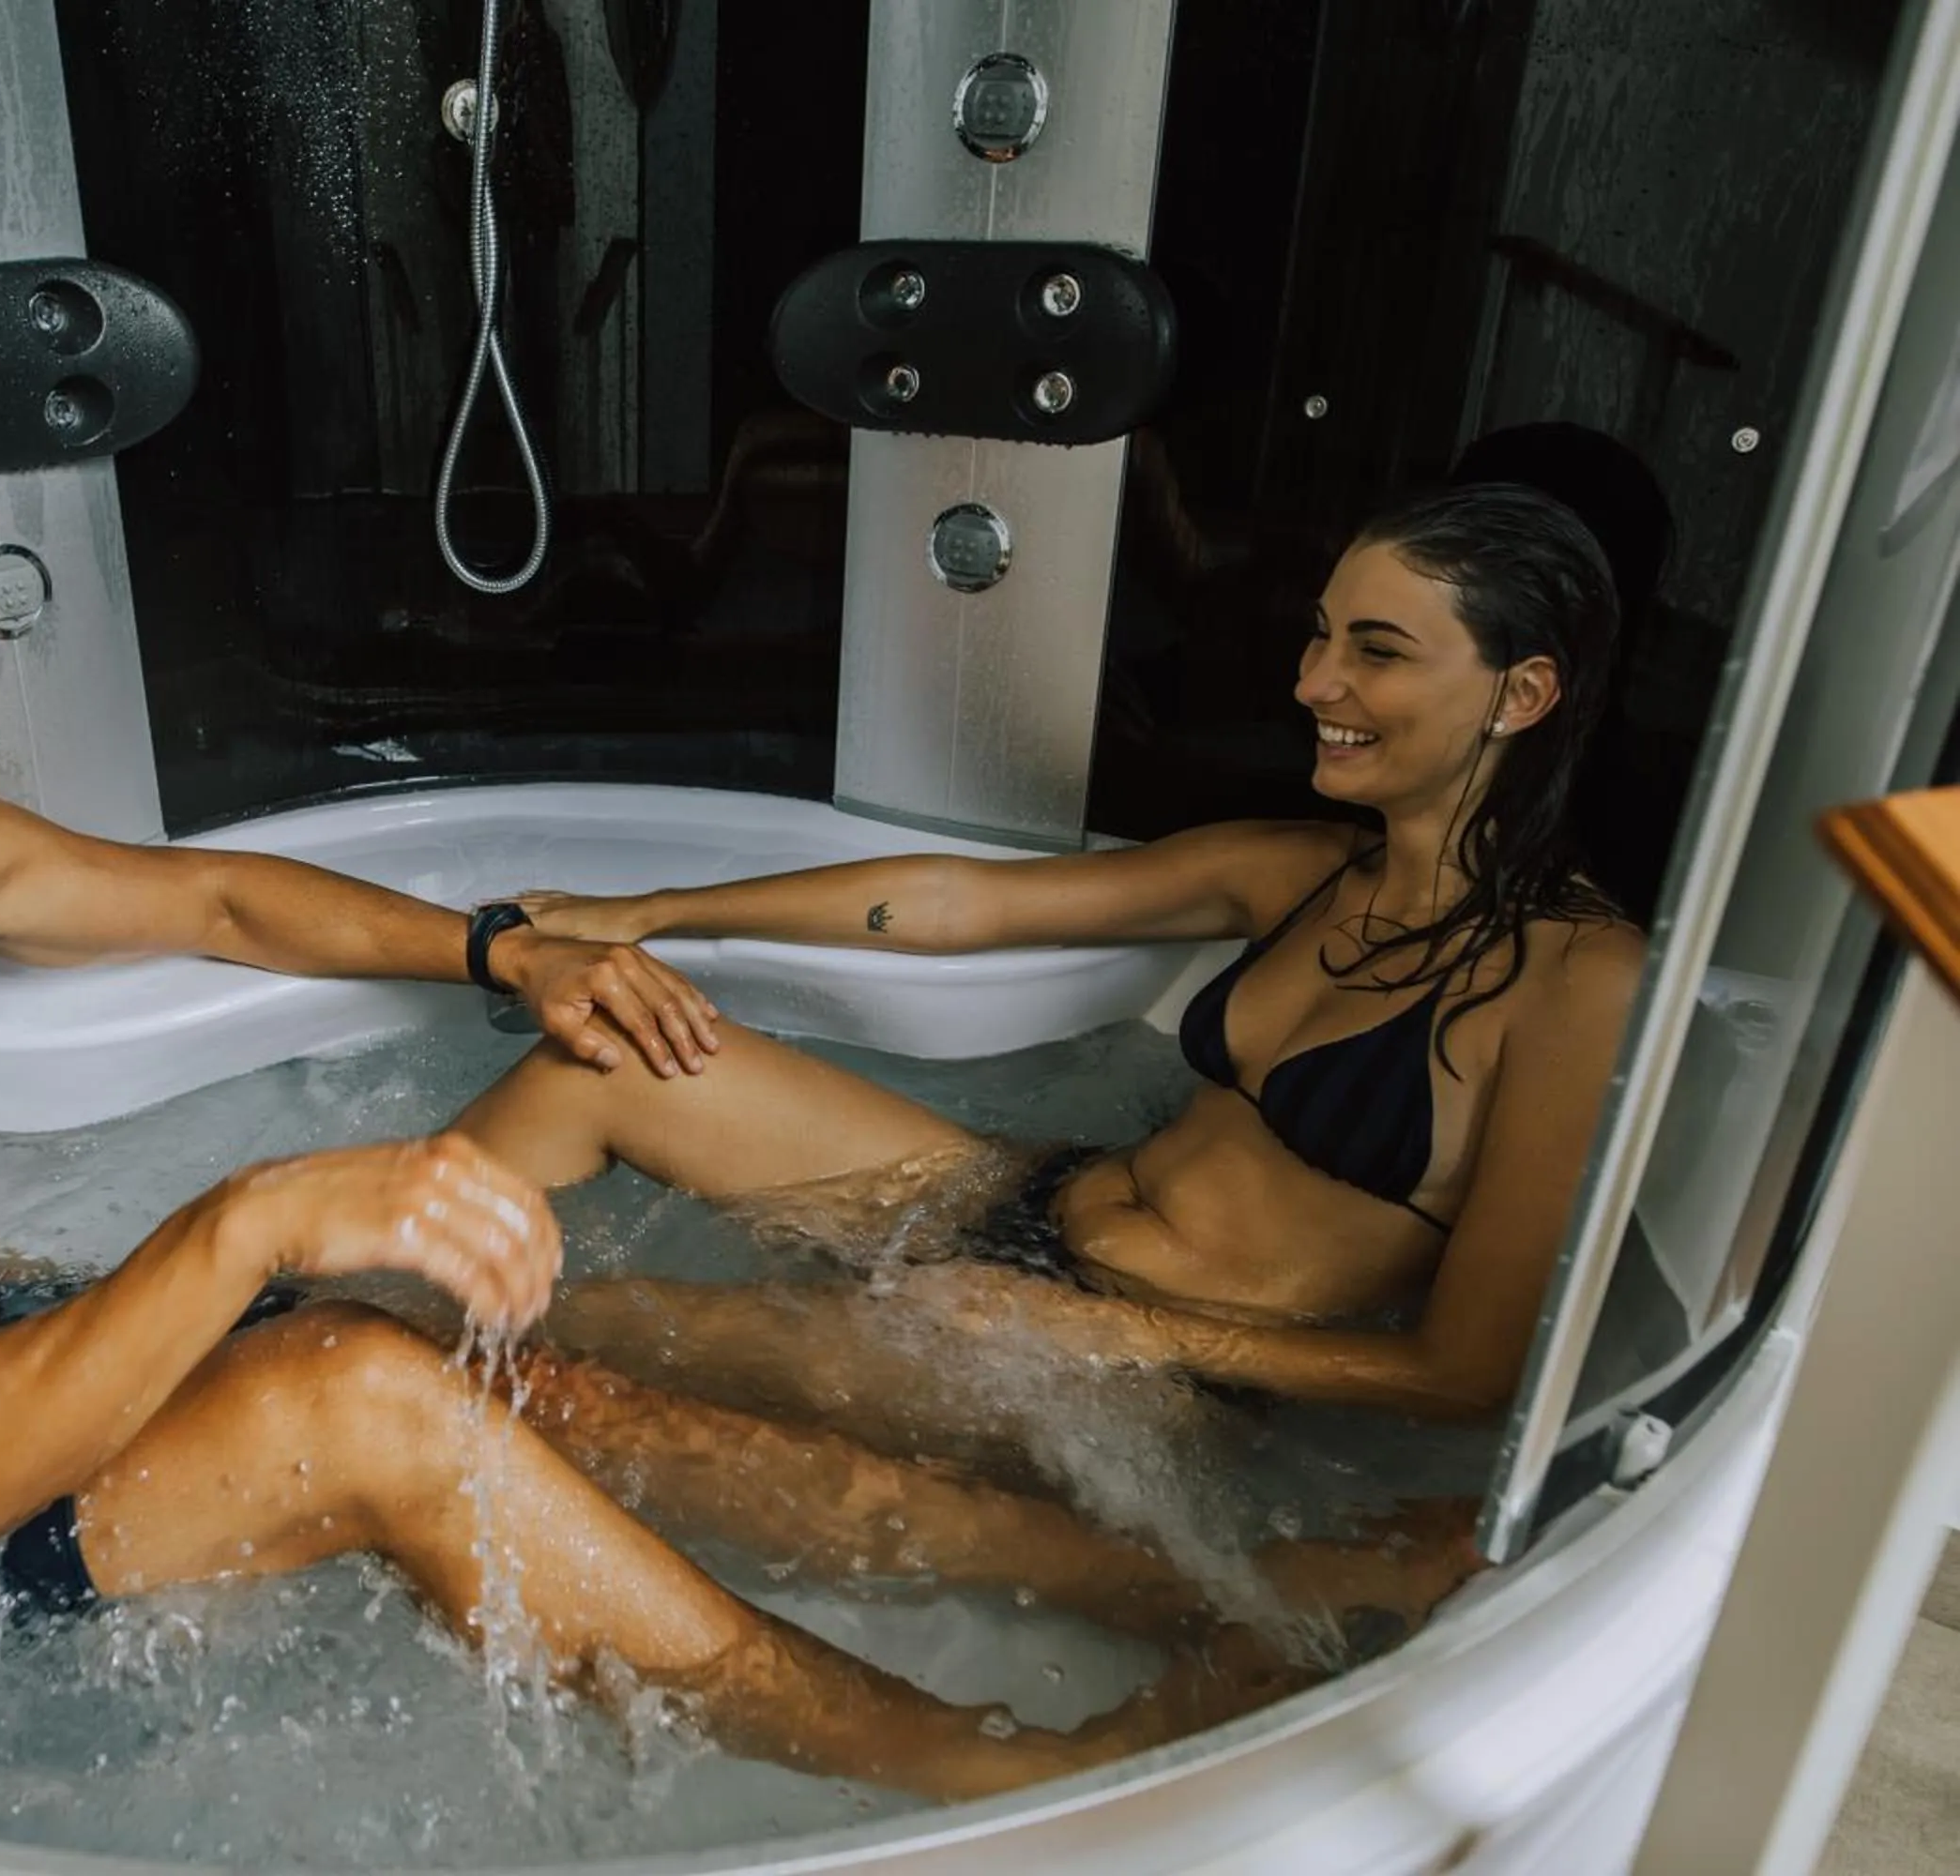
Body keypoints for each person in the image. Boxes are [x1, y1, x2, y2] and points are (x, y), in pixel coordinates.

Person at [0, 402, 1396, 1804]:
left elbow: (208, 894)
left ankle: (1189, 1585)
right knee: (359, 1395)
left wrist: (494, 954)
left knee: (520, 1366)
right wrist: (253, 1218)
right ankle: (991, 1773)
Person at [454, 483, 1645, 1433]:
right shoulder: (1307, 866)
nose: (1312, 683)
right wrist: (651, 911)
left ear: (1521, 692)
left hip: (1157, 1372)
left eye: (1377, 652)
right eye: (1321, 634)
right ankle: (325, 1267)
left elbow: (1463, 1373)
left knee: (605, 1326)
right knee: (597, 1058)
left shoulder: (1581, 982)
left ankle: (333, 1353)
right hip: (1024, 1202)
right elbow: (955, 903)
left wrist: (1113, 1340)